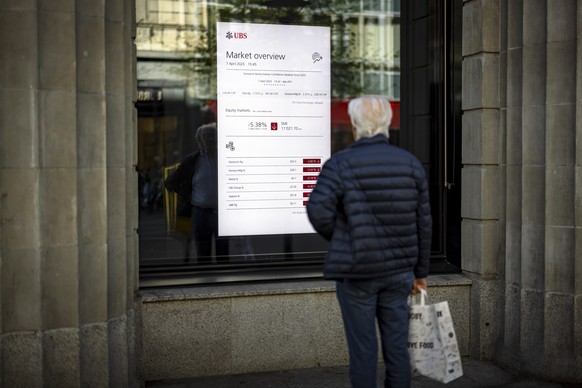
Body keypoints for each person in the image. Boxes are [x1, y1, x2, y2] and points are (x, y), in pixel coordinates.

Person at [306, 96, 432, 388]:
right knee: (397, 350)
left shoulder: (340, 163)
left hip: (357, 271)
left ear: (354, 126)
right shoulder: (410, 164)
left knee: (363, 353)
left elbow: (317, 210)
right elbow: (424, 222)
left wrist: (345, 238)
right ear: (388, 124)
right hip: (399, 273)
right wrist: (421, 273)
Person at [165, 123, 228, 263]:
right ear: (200, 139)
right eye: (207, 136)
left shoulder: (226, 158)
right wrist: (187, 195)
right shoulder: (192, 160)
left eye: (214, 136)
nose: (211, 139)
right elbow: (170, 181)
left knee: (223, 252)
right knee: (203, 252)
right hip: (201, 213)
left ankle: (225, 279)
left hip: (222, 213)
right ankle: (206, 279)